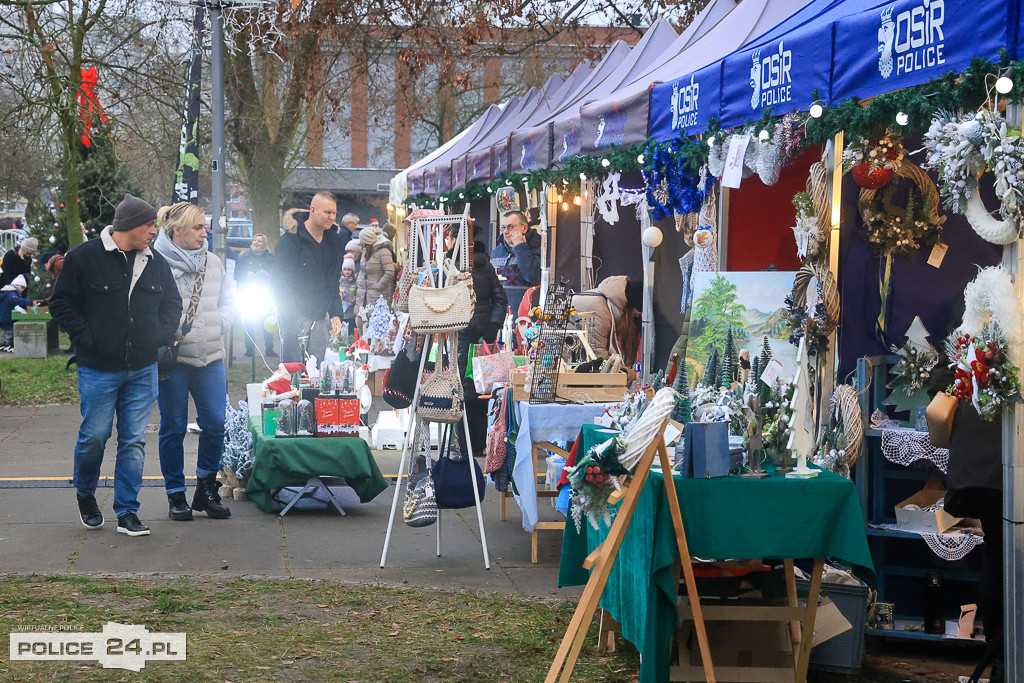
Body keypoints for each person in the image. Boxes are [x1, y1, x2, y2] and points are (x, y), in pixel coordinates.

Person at [49, 194, 182, 537]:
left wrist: (160, 338)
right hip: (97, 367)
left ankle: (127, 511)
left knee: (134, 440)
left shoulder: (155, 262)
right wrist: (85, 338)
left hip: (142, 366)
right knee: (95, 435)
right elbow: (61, 303)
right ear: (129, 226)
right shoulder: (84, 258)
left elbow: (172, 303)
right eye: (150, 224)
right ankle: (85, 493)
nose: (155, 230)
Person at [153, 202, 236, 522]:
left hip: (211, 355)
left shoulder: (213, 262)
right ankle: (176, 495)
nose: (206, 233)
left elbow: (230, 300)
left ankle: (206, 488)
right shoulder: (154, 262)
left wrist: (222, 321)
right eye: (198, 228)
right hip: (173, 360)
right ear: (177, 230)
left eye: (206, 226)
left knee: (215, 422)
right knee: (172, 428)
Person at [272, 191, 345, 363]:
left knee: (315, 372)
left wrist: (336, 313)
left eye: (334, 213)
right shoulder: (291, 240)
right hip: (294, 315)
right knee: (293, 373)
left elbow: (333, 280)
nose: (331, 217)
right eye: (327, 212)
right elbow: (279, 282)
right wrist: (290, 316)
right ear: (313, 210)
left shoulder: (333, 240)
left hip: (320, 316)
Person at [457, 239, 507, 457]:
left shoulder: (454, 270)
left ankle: (466, 443)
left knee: (463, 391)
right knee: (481, 390)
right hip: (483, 341)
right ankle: (477, 443)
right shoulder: (487, 269)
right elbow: (500, 299)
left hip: (461, 339)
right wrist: (492, 327)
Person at [571, 275, 643, 381]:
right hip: (568, 371)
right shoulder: (599, 310)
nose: (638, 316)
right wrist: (632, 375)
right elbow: (599, 361)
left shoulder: (605, 301)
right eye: (637, 313)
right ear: (628, 308)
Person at [491, 210, 541, 313]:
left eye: (510, 227)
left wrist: (520, 246)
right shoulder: (497, 251)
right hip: (501, 318)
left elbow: (531, 275)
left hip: (528, 318)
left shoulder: (537, 247)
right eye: (503, 228)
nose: (505, 232)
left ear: (524, 228)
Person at [234, 233, 276, 357]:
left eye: (260, 241)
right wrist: (246, 274)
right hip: (248, 292)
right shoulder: (244, 256)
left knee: (267, 322)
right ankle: (249, 349)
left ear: (264, 244)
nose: (256, 243)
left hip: (265, 292)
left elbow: (276, 273)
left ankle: (269, 349)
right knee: (249, 322)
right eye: (255, 240)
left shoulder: (270, 257)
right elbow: (236, 274)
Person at [354, 223, 397, 319]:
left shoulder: (383, 252)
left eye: (362, 239)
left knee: (376, 321)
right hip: (364, 292)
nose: (360, 242)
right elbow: (363, 269)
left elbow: (389, 272)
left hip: (378, 293)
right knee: (361, 320)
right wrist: (359, 282)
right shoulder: (366, 251)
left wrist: (378, 286)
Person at [0, 274, 38, 352]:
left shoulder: (5, 292)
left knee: (6, 331)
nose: (23, 290)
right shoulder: (11, 294)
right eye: (22, 287)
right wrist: (30, 302)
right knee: (10, 331)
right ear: (17, 285)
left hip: (3, 316)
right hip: (7, 317)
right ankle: (8, 344)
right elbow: (17, 300)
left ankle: (4, 344)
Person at [340, 256, 358, 336]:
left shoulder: (356, 282)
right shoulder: (339, 281)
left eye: (349, 270)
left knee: (351, 334)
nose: (347, 272)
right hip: (340, 311)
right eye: (345, 269)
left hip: (351, 312)